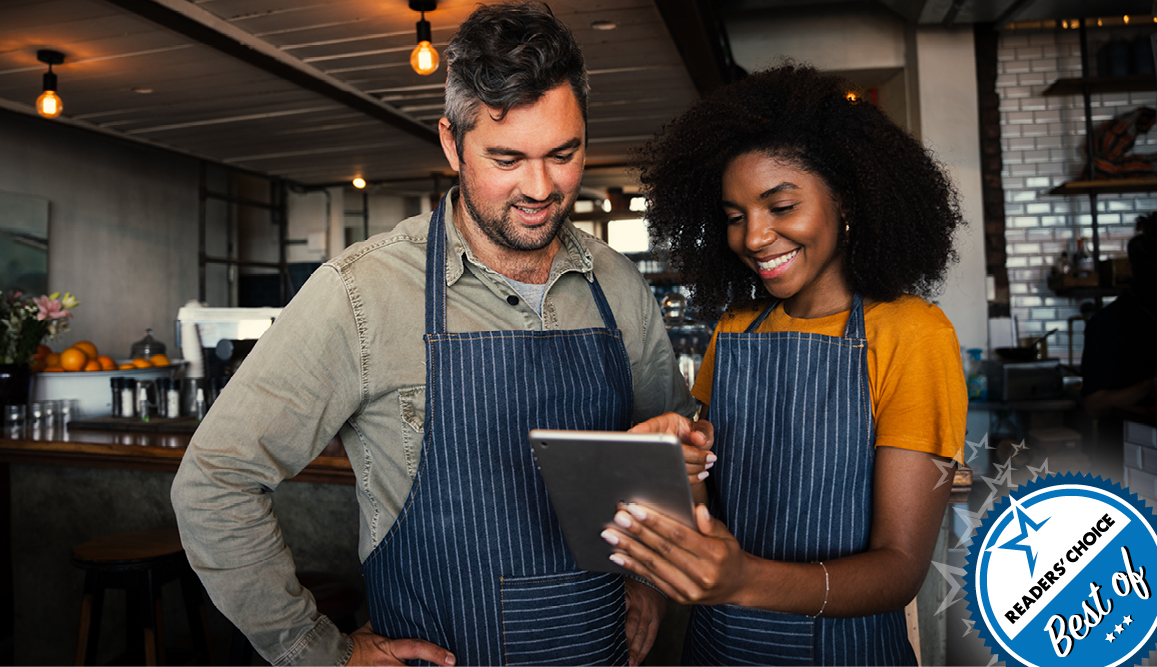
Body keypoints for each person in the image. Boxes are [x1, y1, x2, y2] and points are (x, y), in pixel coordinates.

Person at [171, 4, 700, 666]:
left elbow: (674, 465)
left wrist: (650, 578)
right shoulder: (361, 294)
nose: (540, 187)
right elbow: (215, 479)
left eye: (563, 153)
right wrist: (315, 650)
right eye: (506, 158)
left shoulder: (617, 285)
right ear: (451, 143)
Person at [607, 64, 968, 665]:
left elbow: (900, 567)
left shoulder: (911, 334)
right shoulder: (737, 329)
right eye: (734, 215)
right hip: (717, 649)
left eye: (780, 205)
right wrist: (675, 461)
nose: (753, 237)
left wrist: (745, 579)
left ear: (847, 201)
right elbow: (705, 507)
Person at [1081, 215, 1157, 472]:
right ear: (1131, 270)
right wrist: (1150, 385)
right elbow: (1094, 405)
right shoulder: (1108, 323)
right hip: (1120, 462)